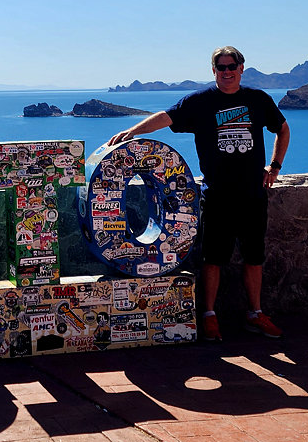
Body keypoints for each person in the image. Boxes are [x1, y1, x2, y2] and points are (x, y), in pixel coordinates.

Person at [109, 46, 289, 341]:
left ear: (242, 68)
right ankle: (208, 316)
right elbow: (166, 117)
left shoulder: (257, 99)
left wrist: (275, 166)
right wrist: (133, 131)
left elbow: (282, 129)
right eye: (221, 67)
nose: (227, 72)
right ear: (214, 70)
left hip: (253, 194)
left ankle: (255, 314)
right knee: (213, 258)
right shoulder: (201, 102)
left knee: (254, 257)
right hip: (217, 195)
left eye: (232, 66)